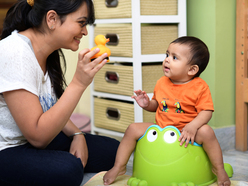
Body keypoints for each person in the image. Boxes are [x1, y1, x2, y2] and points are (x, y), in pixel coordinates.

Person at [0, 0, 120, 185]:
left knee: (115, 151)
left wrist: (77, 135)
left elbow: (51, 107)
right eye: (81, 23)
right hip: (8, 148)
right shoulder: (15, 52)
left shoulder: (48, 52)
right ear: (52, 19)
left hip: (33, 140)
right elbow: (38, 136)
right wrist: (79, 83)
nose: (85, 32)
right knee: (68, 169)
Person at [103, 36, 231, 186]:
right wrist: (146, 104)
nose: (167, 60)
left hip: (187, 131)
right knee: (132, 128)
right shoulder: (161, 82)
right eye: (167, 55)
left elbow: (206, 112)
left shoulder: (200, 87)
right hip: (162, 129)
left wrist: (193, 126)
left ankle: (219, 169)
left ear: (192, 69)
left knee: (207, 132)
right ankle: (119, 166)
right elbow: (157, 105)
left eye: (175, 57)